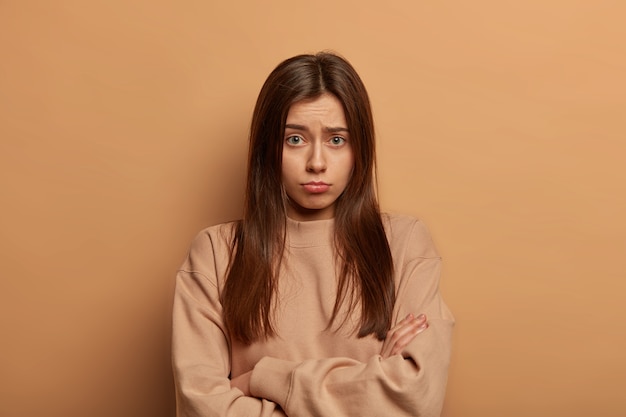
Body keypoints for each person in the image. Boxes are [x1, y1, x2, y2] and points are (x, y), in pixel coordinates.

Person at [172, 51, 454, 417]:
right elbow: (201, 407)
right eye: (295, 140)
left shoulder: (404, 243)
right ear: (267, 149)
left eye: (337, 140)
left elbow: (414, 397)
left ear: (359, 149)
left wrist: (263, 378)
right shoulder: (215, 253)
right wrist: (365, 386)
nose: (317, 162)